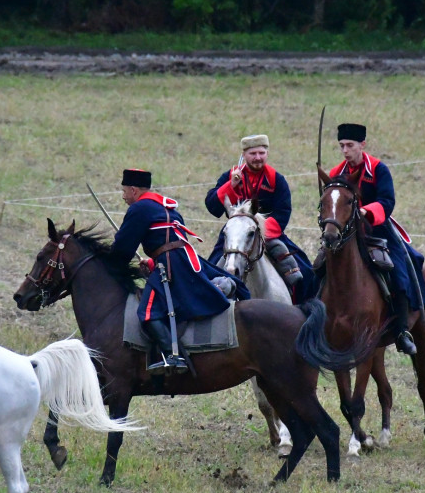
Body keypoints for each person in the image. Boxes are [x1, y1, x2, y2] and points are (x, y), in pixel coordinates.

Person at [110, 169, 247, 374]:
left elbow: (122, 249)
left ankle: (173, 356)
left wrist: (110, 263)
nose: (123, 196)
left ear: (133, 189)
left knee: (147, 312)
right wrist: (153, 262)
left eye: (124, 191)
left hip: (171, 264)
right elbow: (169, 242)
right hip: (179, 260)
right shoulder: (165, 207)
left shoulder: (140, 208)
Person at [326, 124, 425, 356]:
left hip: (378, 228)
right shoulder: (336, 173)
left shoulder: (379, 170)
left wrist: (365, 212)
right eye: (342, 146)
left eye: (350, 145)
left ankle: (402, 330)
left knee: (402, 267)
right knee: (319, 266)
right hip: (345, 233)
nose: (345, 150)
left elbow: (387, 201)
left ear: (362, 145)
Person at [204, 134, 316, 303]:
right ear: (244, 154)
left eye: (261, 153)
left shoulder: (277, 180)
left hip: (269, 233)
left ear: (267, 153)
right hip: (235, 234)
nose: (257, 158)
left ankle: (301, 312)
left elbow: (283, 212)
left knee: (306, 271)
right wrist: (231, 185)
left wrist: (261, 232)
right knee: (209, 271)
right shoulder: (230, 176)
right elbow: (212, 206)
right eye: (253, 153)